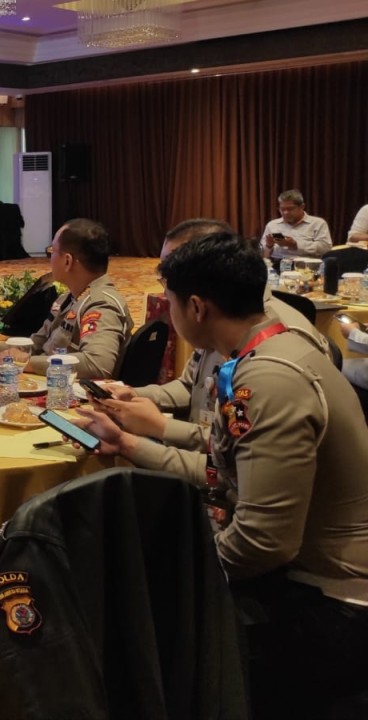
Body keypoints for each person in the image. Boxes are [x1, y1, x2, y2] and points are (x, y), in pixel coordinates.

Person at [73, 233, 368, 719]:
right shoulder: (262, 350)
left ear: (196, 306)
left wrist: (169, 575)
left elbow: (263, 543)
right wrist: (129, 444)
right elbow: (224, 469)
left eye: (168, 303)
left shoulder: (270, 378)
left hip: (332, 602)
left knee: (129, 600)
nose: (168, 315)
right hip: (306, 576)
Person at [91, 219, 330, 479]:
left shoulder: (274, 359)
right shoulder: (226, 326)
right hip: (213, 467)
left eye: (170, 272)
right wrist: (131, 396)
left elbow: (241, 482)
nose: (165, 281)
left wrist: (160, 428)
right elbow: (193, 387)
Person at [0, 218, 133, 379]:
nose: (49, 258)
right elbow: (37, 344)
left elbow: (98, 364)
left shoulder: (101, 305)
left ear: (67, 261)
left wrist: (28, 363)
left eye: (52, 251)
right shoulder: (68, 298)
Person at [260, 189, 332, 263]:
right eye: (282, 209)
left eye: (290, 209)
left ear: (302, 206)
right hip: (277, 264)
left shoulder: (317, 223)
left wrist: (295, 245)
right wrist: (269, 246)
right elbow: (262, 254)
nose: (286, 213)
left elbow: (325, 248)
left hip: (307, 265)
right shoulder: (272, 225)